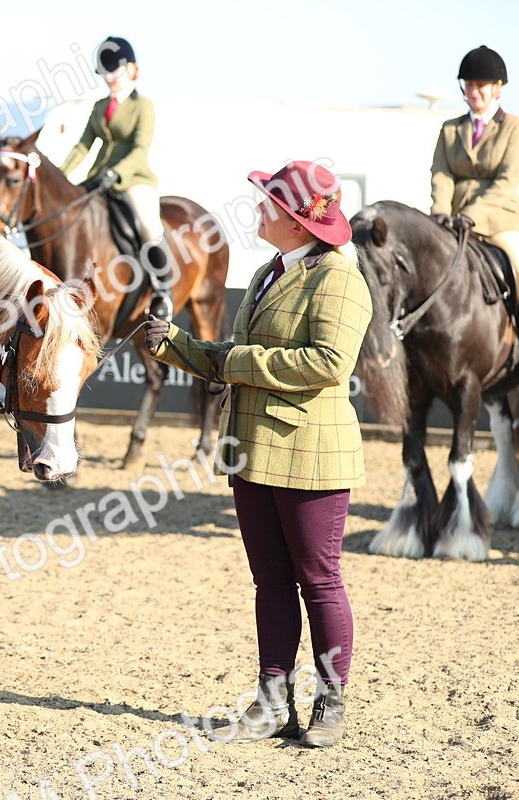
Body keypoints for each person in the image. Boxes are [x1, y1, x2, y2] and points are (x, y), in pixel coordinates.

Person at [141, 161, 372, 748]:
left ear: (297, 221)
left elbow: (328, 363)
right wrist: (175, 345)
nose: (258, 211)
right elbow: (235, 352)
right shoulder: (269, 271)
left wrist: (237, 362)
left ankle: (331, 701)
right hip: (252, 449)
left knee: (319, 581)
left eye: (269, 204)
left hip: (311, 452)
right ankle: (272, 704)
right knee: (270, 581)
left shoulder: (340, 279)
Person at [430, 45, 519, 383]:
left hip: (499, 219)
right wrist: (439, 212)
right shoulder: (450, 129)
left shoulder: (515, 128)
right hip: (454, 220)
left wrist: (472, 214)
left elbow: (507, 182)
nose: (474, 91)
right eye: (469, 85)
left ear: (497, 88)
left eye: (481, 85)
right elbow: (442, 175)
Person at [61, 35, 172, 321]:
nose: (109, 78)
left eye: (115, 71)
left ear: (131, 69)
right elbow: (83, 146)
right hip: (98, 179)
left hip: (133, 179)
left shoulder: (142, 105)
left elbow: (140, 148)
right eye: (105, 72)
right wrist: (61, 176)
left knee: (149, 226)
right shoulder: (99, 106)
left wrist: (116, 172)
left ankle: (162, 291)